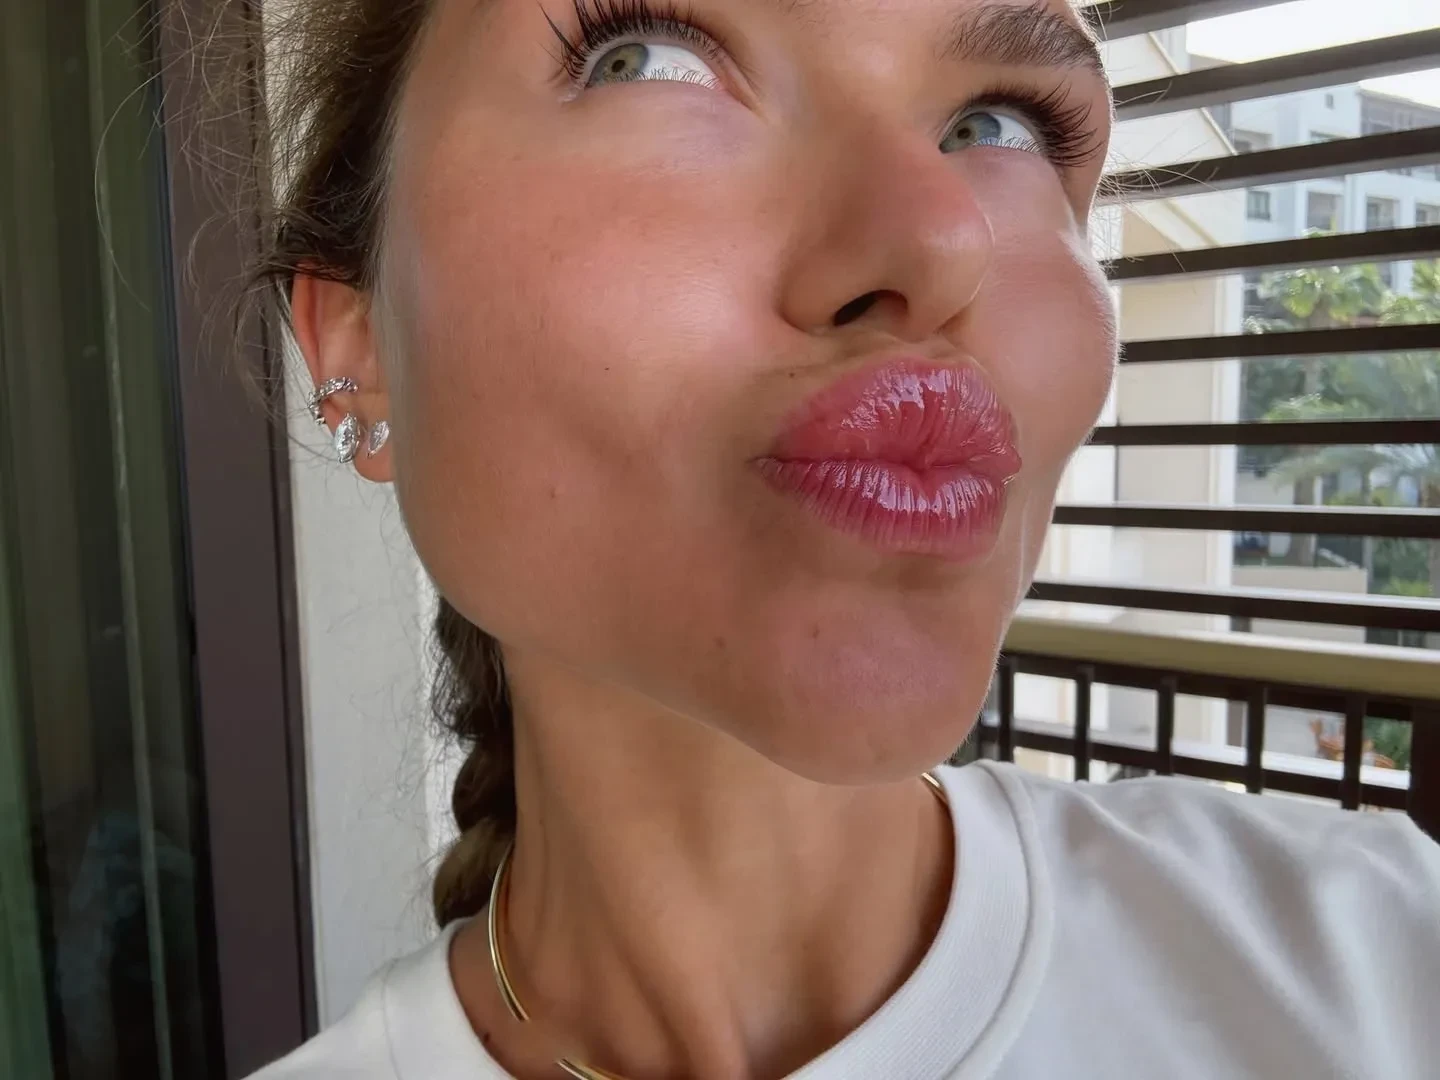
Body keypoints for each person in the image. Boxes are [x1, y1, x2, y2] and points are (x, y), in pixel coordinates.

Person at [245, 0, 1440, 1077]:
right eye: (644, 59)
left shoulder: (1384, 955)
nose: (940, 240)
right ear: (356, 346)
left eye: (998, 125)